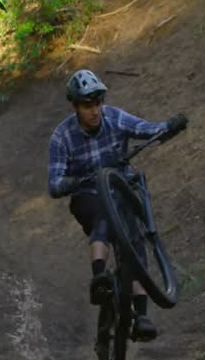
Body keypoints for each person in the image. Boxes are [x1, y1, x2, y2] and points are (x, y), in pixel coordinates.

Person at [47, 69, 186, 341]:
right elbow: (54, 185)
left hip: (121, 191)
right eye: (87, 105)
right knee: (102, 217)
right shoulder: (61, 137)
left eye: (98, 102)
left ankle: (142, 316)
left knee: (135, 241)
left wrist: (170, 126)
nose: (95, 110)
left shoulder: (114, 117)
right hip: (88, 195)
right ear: (75, 107)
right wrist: (84, 177)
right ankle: (99, 278)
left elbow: (146, 129)